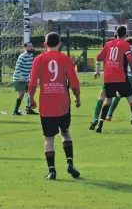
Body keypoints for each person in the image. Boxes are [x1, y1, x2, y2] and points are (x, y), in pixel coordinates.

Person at [28, 32, 81, 180]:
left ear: (45, 45)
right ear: (60, 44)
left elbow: (32, 83)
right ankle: (70, 163)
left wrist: (31, 98)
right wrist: (77, 98)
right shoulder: (66, 59)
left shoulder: (38, 60)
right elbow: (74, 83)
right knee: (65, 132)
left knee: (49, 138)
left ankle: (52, 171)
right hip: (62, 102)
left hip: (46, 104)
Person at [92, 26, 132, 133]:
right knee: (131, 99)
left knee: (107, 100)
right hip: (121, 76)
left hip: (108, 77)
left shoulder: (108, 44)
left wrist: (97, 70)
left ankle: (100, 124)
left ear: (116, 34)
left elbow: (99, 57)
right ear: (125, 34)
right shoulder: (125, 44)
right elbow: (129, 57)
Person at [12, 42, 38, 115]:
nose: (31, 48)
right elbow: (17, 68)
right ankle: (15, 111)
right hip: (18, 78)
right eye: (29, 46)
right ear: (25, 47)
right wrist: (21, 76)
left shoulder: (32, 56)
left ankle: (28, 109)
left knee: (29, 93)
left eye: (32, 46)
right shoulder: (22, 56)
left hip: (26, 79)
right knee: (21, 94)